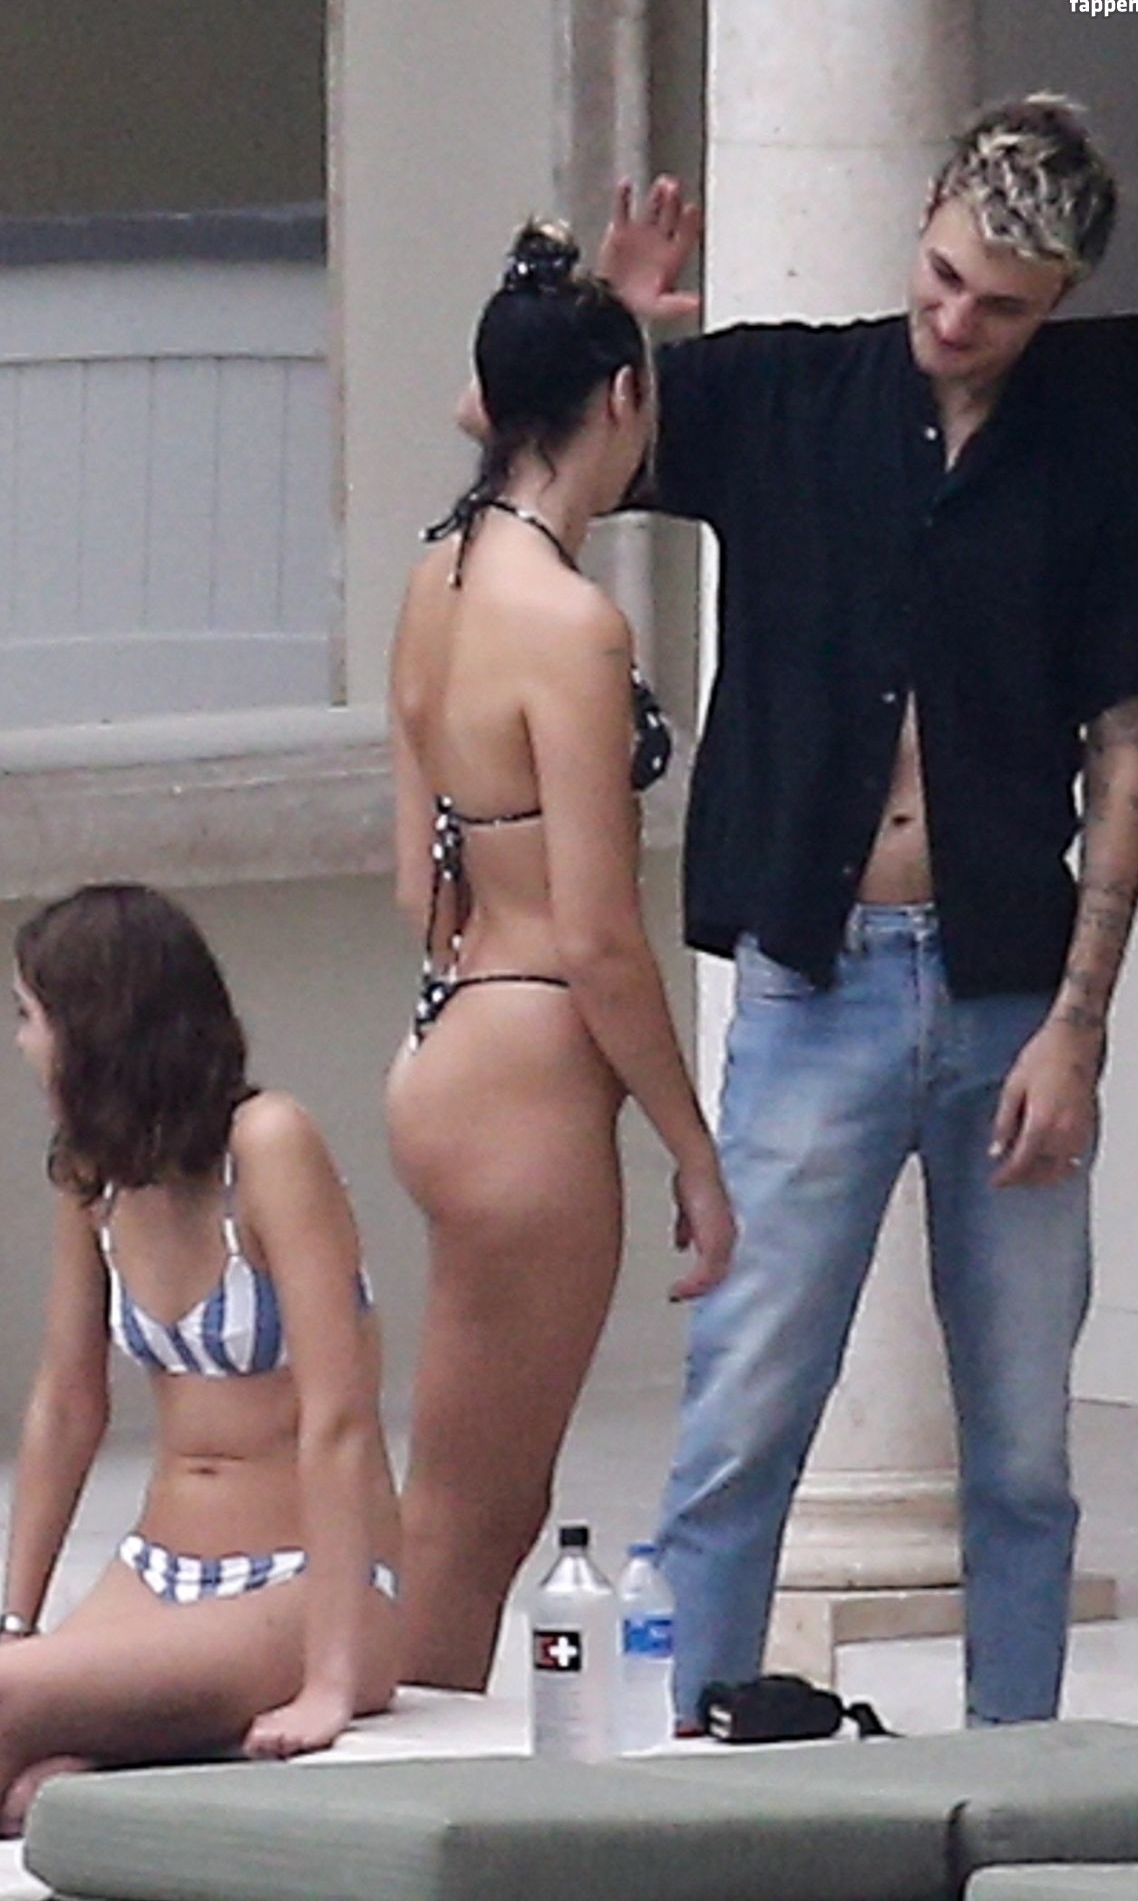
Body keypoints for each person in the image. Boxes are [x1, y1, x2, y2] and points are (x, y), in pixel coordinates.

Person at [594, 96, 1138, 1727]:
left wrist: (1078, 1028)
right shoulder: (791, 393)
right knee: (744, 1410)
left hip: (1008, 983)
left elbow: (1128, 755)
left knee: (1020, 1445)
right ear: (923, 218)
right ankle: (702, 1756)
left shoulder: (1096, 459)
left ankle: (1015, 1774)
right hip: (818, 978)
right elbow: (515, 437)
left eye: (998, 304)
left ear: (1057, 300)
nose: (953, 319)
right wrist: (607, 331)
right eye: (941, 277)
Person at [386, 221, 735, 1691]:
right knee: (470, 1516)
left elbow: (417, 875)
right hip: (533, 1070)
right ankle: (389, 1773)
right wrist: (694, 1151)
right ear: (623, 399)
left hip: (450, 1034)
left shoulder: (441, 576)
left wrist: (597, 308)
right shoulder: (577, 628)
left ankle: (401, 1746)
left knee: (480, 1496)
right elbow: (600, 937)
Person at [1, 883, 401, 1830]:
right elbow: (68, 1402)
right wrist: (16, 1618)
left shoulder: (268, 1143)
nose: (22, 1044)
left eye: (30, 1017)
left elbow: (341, 1416)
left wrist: (330, 1681)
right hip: (157, 1575)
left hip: (303, 1583)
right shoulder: (95, 1168)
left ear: (95, 1026)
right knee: (31, 1791)